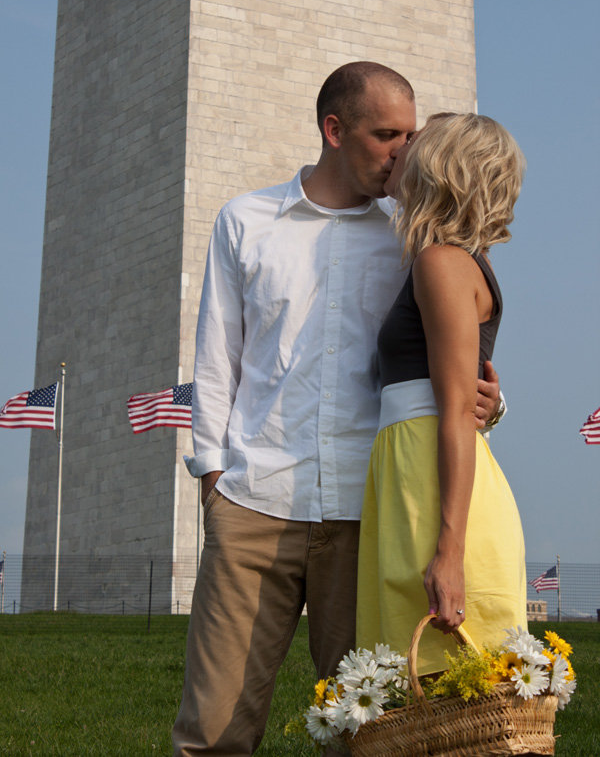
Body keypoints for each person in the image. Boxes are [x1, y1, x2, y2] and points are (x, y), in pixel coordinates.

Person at [172, 64, 503, 756]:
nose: (405, 152)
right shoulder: (246, 221)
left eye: (412, 135)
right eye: (387, 134)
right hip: (254, 502)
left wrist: (490, 400)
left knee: (366, 729)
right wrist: (214, 483)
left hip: (365, 511)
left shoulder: (411, 241)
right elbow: (214, 361)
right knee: (214, 729)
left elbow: (446, 353)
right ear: (333, 130)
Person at [356, 112, 528, 677]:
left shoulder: (442, 263)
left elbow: (454, 408)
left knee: (449, 690)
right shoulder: (447, 260)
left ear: (439, 163)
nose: (401, 145)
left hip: (432, 488)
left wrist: (448, 552)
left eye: (416, 137)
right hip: (414, 475)